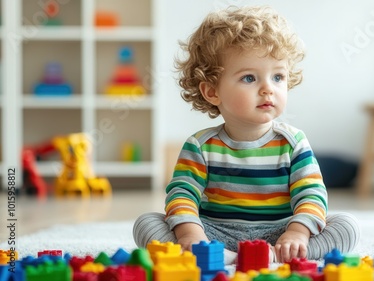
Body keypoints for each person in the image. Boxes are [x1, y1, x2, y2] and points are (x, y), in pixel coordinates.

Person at [133, 5, 360, 264]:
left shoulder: (293, 143)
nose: (268, 89)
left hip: (280, 233)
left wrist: (298, 233)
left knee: (346, 225)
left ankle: (271, 255)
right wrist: (192, 234)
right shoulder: (200, 146)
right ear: (212, 92)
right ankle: (220, 254)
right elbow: (182, 194)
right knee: (147, 223)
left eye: (278, 77)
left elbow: (311, 193)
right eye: (250, 78)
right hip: (214, 233)